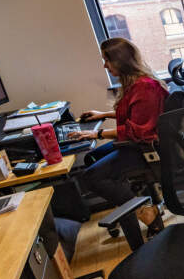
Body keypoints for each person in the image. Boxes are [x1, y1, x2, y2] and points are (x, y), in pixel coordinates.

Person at [70, 37, 169, 227]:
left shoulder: (145, 86)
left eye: (107, 61)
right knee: (92, 157)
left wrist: (97, 134)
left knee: (92, 177)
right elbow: (136, 114)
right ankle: (129, 204)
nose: (105, 66)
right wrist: (103, 114)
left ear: (120, 61)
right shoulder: (135, 83)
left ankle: (146, 213)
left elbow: (139, 130)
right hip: (137, 144)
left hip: (146, 148)